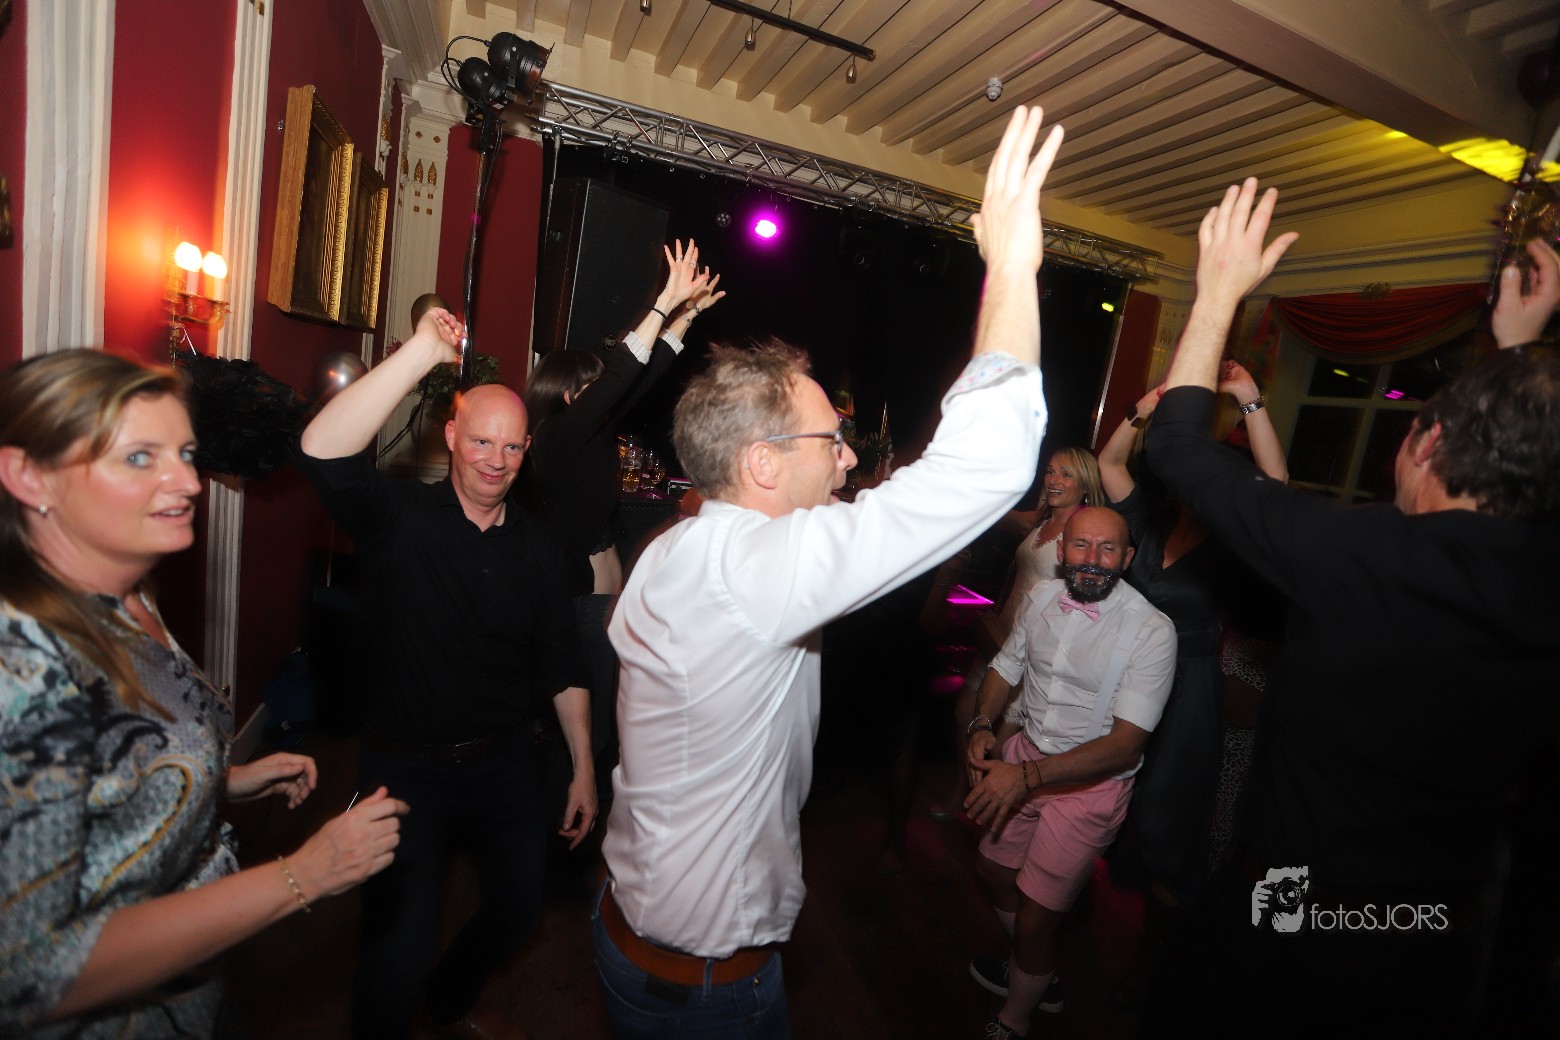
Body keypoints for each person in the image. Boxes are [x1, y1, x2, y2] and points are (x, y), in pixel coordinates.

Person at [594, 104, 1063, 1038]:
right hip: (706, 990)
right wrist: (1014, 265)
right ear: (762, 463)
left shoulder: (682, 546)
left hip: (631, 936)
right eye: (831, 440)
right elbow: (987, 465)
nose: (847, 459)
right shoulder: (758, 572)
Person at [1143, 180, 1560, 1034]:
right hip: (1433, 930)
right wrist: (1518, 351)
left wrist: (1217, 291)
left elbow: (1178, 444)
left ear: (1427, 442)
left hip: (1295, 911)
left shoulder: (1365, 553)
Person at [0, 349, 405, 1039]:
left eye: (186, 454)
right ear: (29, 476)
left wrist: (220, 778)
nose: (187, 481)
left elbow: (112, 766)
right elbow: (27, 973)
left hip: (192, 999)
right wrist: (303, 874)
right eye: (140, 457)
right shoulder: (23, 669)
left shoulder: (129, 595)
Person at [296, 308, 594, 1040]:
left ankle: (449, 999)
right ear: (451, 435)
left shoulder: (541, 551)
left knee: (517, 912)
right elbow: (323, 451)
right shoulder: (399, 519)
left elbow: (562, 663)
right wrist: (423, 354)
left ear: (527, 452)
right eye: (481, 440)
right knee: (395, 958)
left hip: (506, 766)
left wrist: (584, 766)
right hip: (406, 769)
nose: (496, 459)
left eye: (512, 447)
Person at [964, 506, 1176, 1040]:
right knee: (992, 871)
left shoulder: (1152, 630)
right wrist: (982, 724)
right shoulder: (1040, 598)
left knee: (1038, 917)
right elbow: (1005, 667)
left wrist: (1026, 778)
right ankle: (1036, 968)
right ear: (1060, 551)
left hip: (1090, 787)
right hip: (1024, 758)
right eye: (1081, 545)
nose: (1093, 559)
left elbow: (1125, 745)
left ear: (1127, 559)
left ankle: (1014, 1019)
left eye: (1108, 549)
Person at [522, 240, 723, 802]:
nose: (606, 393)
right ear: (568, 396)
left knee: (599, 732)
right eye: (593, 386)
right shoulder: (556, 438)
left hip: (602, 608)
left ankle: (573, 814)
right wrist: (662, 304)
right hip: (580, 608)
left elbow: (642, 377)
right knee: (585, 735)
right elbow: (621, 375)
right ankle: (561, 824)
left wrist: (684, 319)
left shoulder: (586, 438)